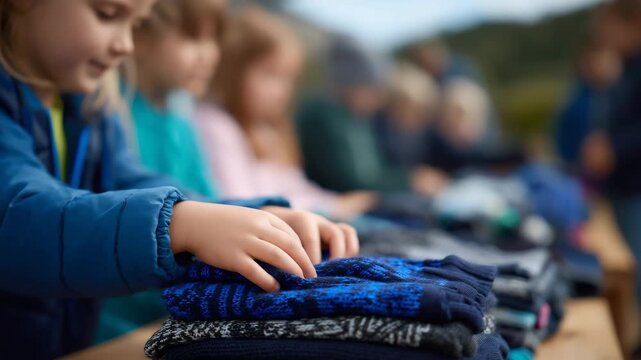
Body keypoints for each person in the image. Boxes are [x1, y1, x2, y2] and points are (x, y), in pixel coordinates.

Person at [0, 0, 356, 357]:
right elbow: (19, 219)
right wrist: (177, 226)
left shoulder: (89, 108)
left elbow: (134, 184)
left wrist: (257, 214)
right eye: (107, 14)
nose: (126, 44)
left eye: (136, 25)